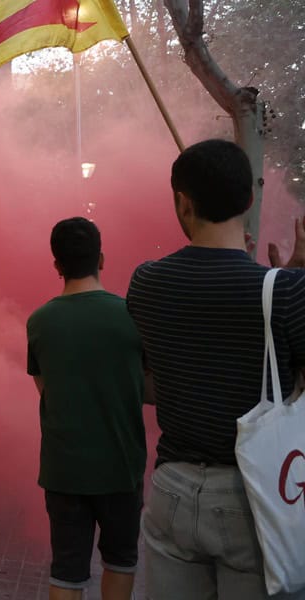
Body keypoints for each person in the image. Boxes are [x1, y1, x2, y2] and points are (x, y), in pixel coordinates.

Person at [127, 138, 305, 599]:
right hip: (257, 494)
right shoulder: (284, 292)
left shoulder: (145, 282)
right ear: (248, 199)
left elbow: (150, 385)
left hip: (172, 489)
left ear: (182, 203)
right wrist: (291, 286)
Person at [26, 217, 147, 600]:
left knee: (67, 571)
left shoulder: (39, 322)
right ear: (102, 259)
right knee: (121, 560)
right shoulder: (132, 315)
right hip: (121, 468)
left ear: (56, 265)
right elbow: (148, 390)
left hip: (64, 471)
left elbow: (45, 389)